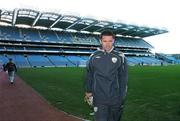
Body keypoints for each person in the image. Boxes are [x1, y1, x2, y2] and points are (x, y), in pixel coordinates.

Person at [85, 30, 128, 121]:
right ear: (100, 41)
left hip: (115, 98)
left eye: (110, 41)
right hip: (99, 98)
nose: (107, 44)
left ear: (113, 41)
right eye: (105, 41)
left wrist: (121, 98)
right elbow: (89, 74)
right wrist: (88, 91)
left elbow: (123, 78)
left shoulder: (120, 56)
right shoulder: (93, 56)